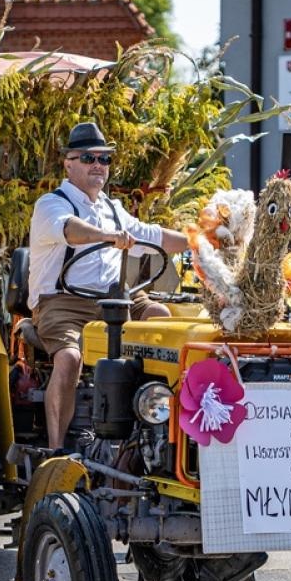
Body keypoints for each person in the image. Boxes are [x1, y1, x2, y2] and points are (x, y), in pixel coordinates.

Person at [28, 121, 188, 450]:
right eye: (88, 158)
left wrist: (199, 243)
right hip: (63, 302)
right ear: (68, 163)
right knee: (70, 357)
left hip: (116, 301)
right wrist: (108, 237)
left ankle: (155, 429)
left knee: (161, 317)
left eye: (105, 159)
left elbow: (153, 236)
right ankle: (56, 449)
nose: (98, 166)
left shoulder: (113, 209)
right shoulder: (51, 204)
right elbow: (70, 230)